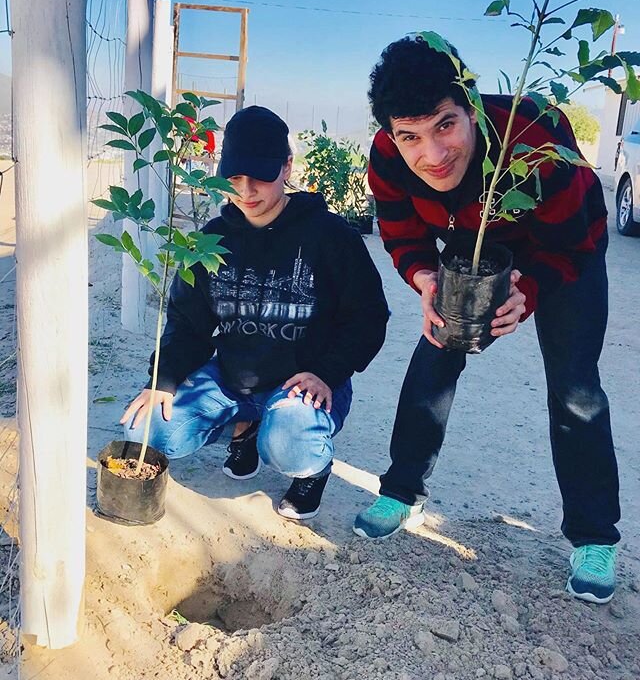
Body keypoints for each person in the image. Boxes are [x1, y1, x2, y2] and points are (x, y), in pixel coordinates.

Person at [353, 34, 620, 605]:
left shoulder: (535, 136)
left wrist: (528, 289)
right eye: (410, 137)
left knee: (574, 385)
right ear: (392, 135)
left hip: (565, 249)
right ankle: (402, 491)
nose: (432, 154)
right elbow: (401, 233)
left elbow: (570, 243)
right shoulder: (386, 156)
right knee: (436, 348)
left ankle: (594, 536)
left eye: (445, 125)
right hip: (471, 249)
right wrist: (425, 279)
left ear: (470, 105)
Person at [123, 105, 389, 520]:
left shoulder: (331, 236)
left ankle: (312, 470)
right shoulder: (212, 239)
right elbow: (187, 321)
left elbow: (369, 316)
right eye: (234, 178)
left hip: (305, 381)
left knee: (290, 444)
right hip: (232, 379)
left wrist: (329, 371)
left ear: (287, 166)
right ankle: (244, 429)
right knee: (146, 429)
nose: (246, 191)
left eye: (260, 176)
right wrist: (165, 379)